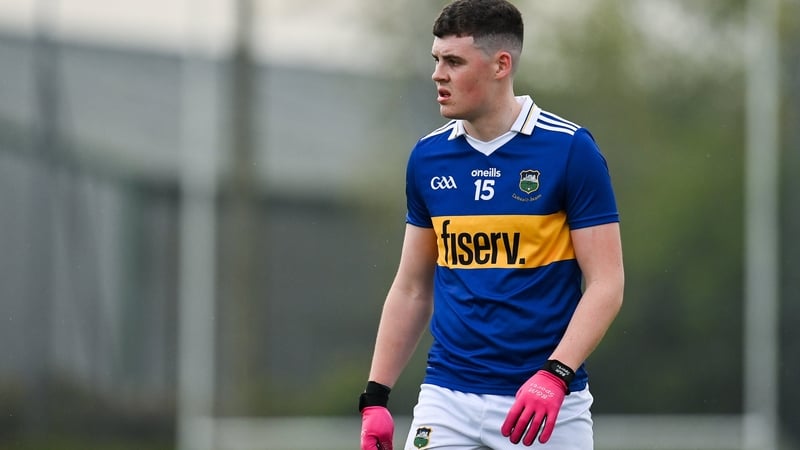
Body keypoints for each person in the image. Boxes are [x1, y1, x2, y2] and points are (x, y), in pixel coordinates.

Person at [359, 0, 624, 448]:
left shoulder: (570, 150)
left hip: (543, 405)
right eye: (436, 60)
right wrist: (376, 398)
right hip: (447, 400)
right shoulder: (427, 157)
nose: (437, 75)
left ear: (501, 64)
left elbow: (607, 283)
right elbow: (412, 287)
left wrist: (555, 376)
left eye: (454, 62)